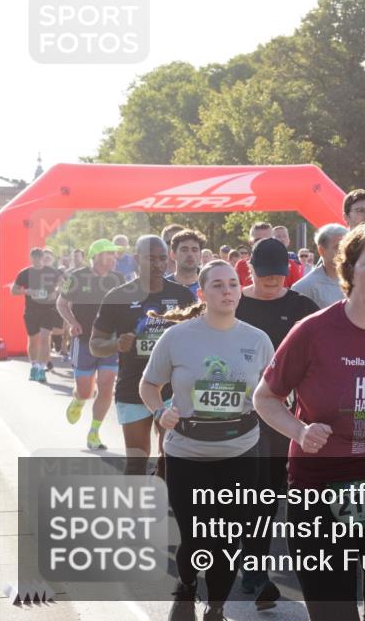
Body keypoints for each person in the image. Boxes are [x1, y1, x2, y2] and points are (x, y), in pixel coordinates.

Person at [253, 220, 365, 621]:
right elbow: (265, 397)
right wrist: (299, 430)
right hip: (317, 490)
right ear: (349, 269)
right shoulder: (312, 331)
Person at [139, 260, 274, 621]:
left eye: (233, 284)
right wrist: (159, 411)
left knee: (227, 538)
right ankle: (186, 587)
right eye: (218, 285)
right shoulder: (177, 337)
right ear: (202, 293)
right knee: (197, 536)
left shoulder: (258, 340)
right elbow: (149, 384)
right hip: (187, 453)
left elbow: (271, 391)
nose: (227, 291)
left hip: (240, 451)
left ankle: (216, 606)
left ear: (240, 291)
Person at [235, 238, 318, 606]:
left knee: (286, 496)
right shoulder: (234, 302)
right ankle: (253, 571)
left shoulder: (301, 306)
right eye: (265, 274)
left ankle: (315, 570)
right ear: (250, 270)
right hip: (240, 414)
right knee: (255, 497)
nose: (272, 281)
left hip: (289, 414)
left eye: (279, 275)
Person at [91, 235, 196, 475]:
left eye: (162, 258)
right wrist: (116, 344)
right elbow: (95, 345)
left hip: (172, 390)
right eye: (151, 258)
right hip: (132, 388)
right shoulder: (117, 296)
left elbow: (198, 338)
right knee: (136, 462)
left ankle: (165, 495)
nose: (158, 264)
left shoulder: (182, 296)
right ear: (137, 259)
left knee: (170, 458)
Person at [57, 239, 125, 449]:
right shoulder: (77, 277)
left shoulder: (119, 278)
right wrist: (73, 322)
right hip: (84, 340)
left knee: (106, 387)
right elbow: (61, 303)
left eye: (115, 254)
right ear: (96, 256)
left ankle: (94, 432)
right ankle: (79, 399)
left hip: (109, 342)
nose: (114, 258)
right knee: (86, 391)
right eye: (109, 254)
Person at [12, 247, 62, 383]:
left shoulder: (52, 271)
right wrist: (26, 291)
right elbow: (14, 290)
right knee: (33, 340)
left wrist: (56, 291)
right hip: (31, 311)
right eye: (33, 258)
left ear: (42, 258)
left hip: (48, 310)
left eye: (38, 258)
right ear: (30, 258)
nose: (35, 261)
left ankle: (41, 369)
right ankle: (34, 366)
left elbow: (64, 284)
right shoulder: (25, 273)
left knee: (45, 338)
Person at [292, 224, 347, 308]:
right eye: (337, 247)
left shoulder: (360, 280)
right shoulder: (304, 288)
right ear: (321, 250)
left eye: (346, 246)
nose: (343, 252)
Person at [165, 229, 206, 297]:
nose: (190, 254)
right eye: (184, 250)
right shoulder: (163, 286)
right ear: (172, 255)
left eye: (194, 250)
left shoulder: (208, 286)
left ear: (200, 255)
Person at [235, 222, 273, 286]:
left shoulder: (287, 266)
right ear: (250, 242)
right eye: (258, 240)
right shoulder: (241, 266)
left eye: (267, 240)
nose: (262, 244)